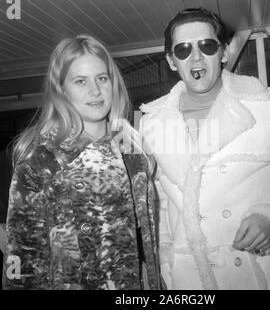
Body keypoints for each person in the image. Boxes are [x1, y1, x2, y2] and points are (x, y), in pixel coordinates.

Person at [139, 8, 270, 290]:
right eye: (183, 49)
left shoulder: (266, 105)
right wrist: (166, 265)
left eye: (207, 45)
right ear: (171, 61)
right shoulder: (151, 124)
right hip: (191, 282)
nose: (197, 57)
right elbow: (160, 207)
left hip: (264, 273)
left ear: (223, 53)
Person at [2, 34, 162, 290]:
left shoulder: (134, 156)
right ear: (61, 89)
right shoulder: (41, 164)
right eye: (80, 81)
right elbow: (23, 266)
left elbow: (146, 253)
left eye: (102, 78)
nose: (95, 91)